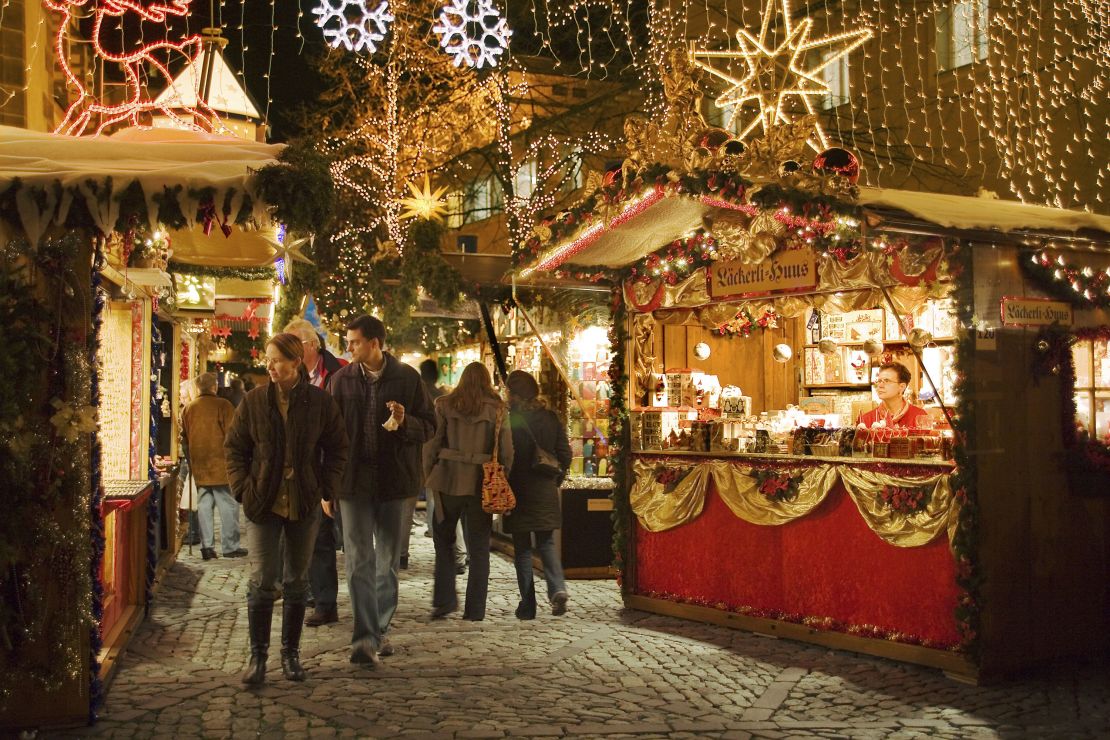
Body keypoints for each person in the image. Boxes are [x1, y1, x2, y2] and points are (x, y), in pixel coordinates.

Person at [224, 333, 349, 685]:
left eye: (277, 359)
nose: (270, 366)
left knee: (297, 580)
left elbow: (338, 446)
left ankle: (290, 655)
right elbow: (234, 449)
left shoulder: (319, 403)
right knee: (263, 579)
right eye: (268, 359)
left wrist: (326, 486)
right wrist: (242, 489)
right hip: (263, 502)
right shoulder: (253, 401)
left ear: (296, 362)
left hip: (303, 502)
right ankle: (258, 657)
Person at [328, 314, 435, 666]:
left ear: (375, 343)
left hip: (394, 482)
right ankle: (363, 638)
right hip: (353, 484)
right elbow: (329, 436)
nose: (349, 348)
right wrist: (327, 486)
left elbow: (430, 428)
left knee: (387, 561)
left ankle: (380, 629)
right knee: (359, 559)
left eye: (355, 342)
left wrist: (407, 422)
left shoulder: (407, 378)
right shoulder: (341, 381)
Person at [423, 362, 513, 622]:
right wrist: (502, 476)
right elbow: (507, 451)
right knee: (479, 548)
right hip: (481, 485)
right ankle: (475, 610)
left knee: (443, 541)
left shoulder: (444, 405)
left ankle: (444, 600)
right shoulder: (498, 409)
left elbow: (431, 444)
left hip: (447, 481)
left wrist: (429, 474)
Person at [285, 317, 349, 627]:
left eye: (293, 346)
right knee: (305, 537)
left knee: (325, 537)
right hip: (298, 471)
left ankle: (327, 602)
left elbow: (341, 432)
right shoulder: (290, 376)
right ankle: (314, 593)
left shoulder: (339, 374)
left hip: (328, 469)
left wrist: (330, 483)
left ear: (311, 346)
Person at [503, 371, 572, 619]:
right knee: (546, 542)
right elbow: (565, 454)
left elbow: (505, 455)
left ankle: (528, 605)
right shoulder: (550, 418)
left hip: (518, 488)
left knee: (522, 548)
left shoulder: (511, 420)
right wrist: (555, 478)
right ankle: (557, 588)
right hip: (544, 488)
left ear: (513, 394)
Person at [182, 373, 244, 560]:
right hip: (221, 464)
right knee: (228, 505)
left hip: (200, 464)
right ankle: (230, 546)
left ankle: (207, 546)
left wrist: (191, 459)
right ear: (214, 387)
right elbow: (233, 435)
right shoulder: (223, 406)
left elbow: (184, 438)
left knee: (204, 506)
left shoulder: (189, 409)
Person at [402, 359, 454, 571]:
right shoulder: (442, 397)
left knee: (407, 504)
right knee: (436, 496)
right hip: (437, 454)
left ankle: (401, 553)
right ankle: (435, 533)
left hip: (415, 453)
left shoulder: (413, 393)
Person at [857, 362, 930, 429]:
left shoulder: (920, 416)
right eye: (879, 381)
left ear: (901, 387)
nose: (880, 385)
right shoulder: (866, 420)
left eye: (887, 381)